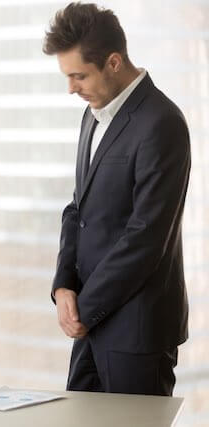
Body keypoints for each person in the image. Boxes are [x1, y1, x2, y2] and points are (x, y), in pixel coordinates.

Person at [43, 2, 190, 395]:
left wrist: (83, 311)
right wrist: (62, 288)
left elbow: (145, 237)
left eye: (78, 75)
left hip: (137, 331)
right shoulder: (93, 114)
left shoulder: (162, 123)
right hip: (88, 325)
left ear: (113, 62)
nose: (71, 88)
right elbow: (78, 209)